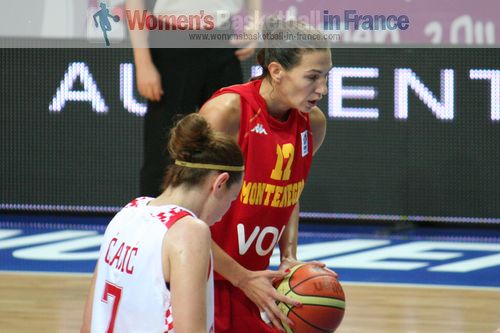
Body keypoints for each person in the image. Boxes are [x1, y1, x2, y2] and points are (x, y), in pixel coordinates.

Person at [199, 19, 335, 332]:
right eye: (312, 77)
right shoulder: (227, 112)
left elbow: (290, 192)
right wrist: (240, 277)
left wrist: (289, 256)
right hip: (199, 281)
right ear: (276, 71)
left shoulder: (312, 123)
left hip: (252, 285)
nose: (322, 89)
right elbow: (179, 216)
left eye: (326, 77)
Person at [81, 113, 244, 333]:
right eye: (233, 198)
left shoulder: (127, 214)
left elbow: (88, 325)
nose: (227, 210)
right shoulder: (189, 231)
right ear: (220, 183)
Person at [126, 0, 260, 197]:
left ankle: (228, 221)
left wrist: (255, 24)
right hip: (171, 41)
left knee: (230, 144)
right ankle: (156, 221)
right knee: (163, 147)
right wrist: (142, 61)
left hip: (222, 38)